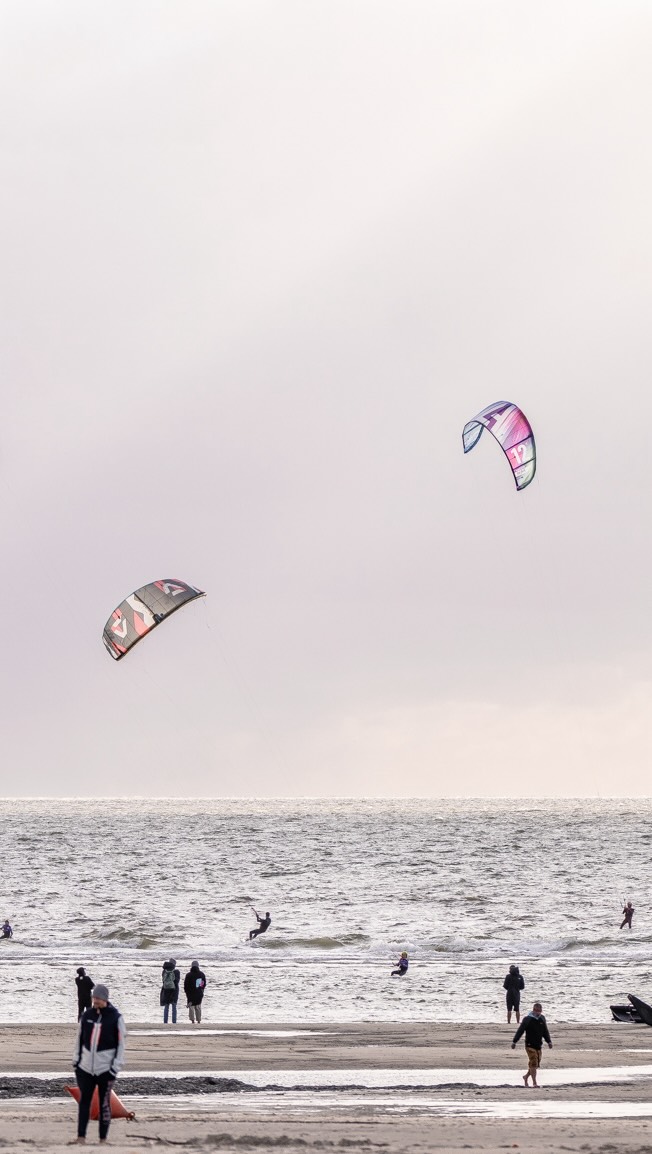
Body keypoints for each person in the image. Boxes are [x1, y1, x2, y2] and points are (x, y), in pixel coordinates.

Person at [72, 982, 126, 1145]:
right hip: (85, 1067)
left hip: (106, 1069)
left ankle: (103, 1139)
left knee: (104, 1104)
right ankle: (81, 1138)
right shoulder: (87, 1015)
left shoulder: (116, 1018)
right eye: (94, 997)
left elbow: (121, 1045)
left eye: (98, 998)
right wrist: (76, 1062)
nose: (95, 1001)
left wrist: (114, 1068)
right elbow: (79, 1039)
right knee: (84, 1102)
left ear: (105, 999)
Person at [511, 1001, 552, 1087]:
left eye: (540, 1011)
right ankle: (534, 1083)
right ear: (533, 1010)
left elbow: (545, 1031)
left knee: (536, 1065)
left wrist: (549, 1041)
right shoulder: (527, 1019)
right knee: (533, 1063)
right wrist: (514, 1041)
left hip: (538, 1045)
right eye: (537, 1011)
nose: (538, 1013)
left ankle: (525, 1077)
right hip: (529, 1045)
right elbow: (520, 1031)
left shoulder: (542, 1019)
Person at [160, 958, 180, 1024]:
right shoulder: (176, 971)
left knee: (166, 1006)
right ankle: (174, 1022)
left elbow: (163, 980)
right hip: (174, 990)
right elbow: (177, 981)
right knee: (174, 1007)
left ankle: (165, 1022)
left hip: (166, 990)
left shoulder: (164, 971)